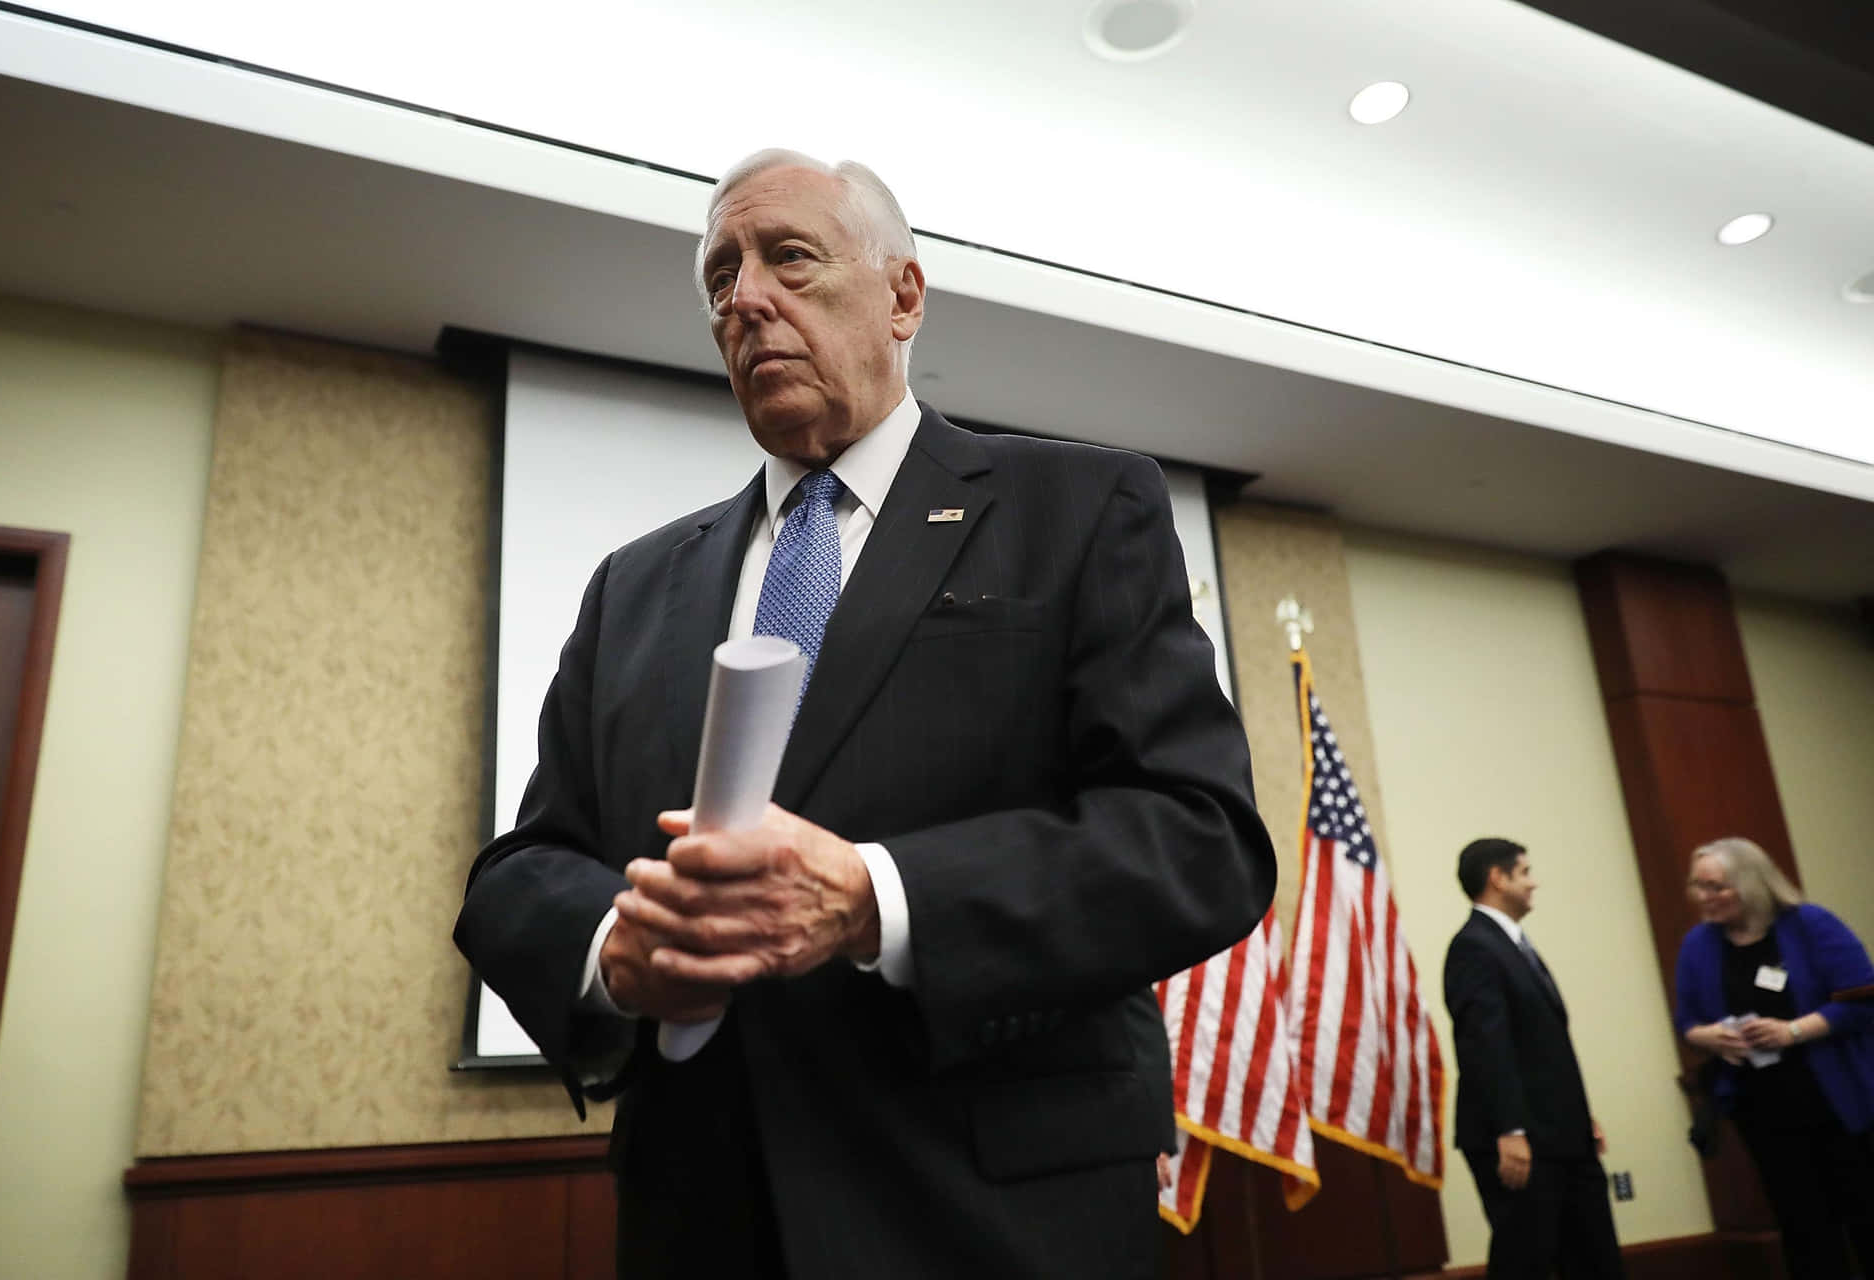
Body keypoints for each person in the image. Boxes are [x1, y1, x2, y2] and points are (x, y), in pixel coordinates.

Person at [452, 148, 1275, 1280]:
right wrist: (614, 945)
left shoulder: (1079, 510)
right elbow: (522, 868)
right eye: (720, 279)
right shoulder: (633, 585)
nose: (744, 299)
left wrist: (875, 898)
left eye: (789, 256)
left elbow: (1201, 839)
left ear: (904, 296)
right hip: (702, 1210)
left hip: (996, 1215)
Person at [1674, 836, 1874, 1278]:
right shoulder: (1699, 945)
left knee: (1864, 1209)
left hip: (1837, 1098)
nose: (1704, 898)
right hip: (1762, 1106)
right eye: (1698, 886)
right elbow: (1687, 1022)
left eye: (1716, 887)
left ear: (1751, 883)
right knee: (1802, 1225)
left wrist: (1794, 1031)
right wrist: (1712, 1037)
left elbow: (1862, 1000)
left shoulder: (1811, 925)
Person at [1443, 837, 1625, 1279]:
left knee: (1595, 1258)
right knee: (1525, 1260)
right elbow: (1485, 1046)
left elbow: (1541, 1046)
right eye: (1524, 872)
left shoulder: (1513, 944)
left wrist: (1581, 1117)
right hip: (1519, 1142)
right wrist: (1510, 1129)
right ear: (1497, 878)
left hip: (1562, 1134)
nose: (1534, 883)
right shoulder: (1474, 947)